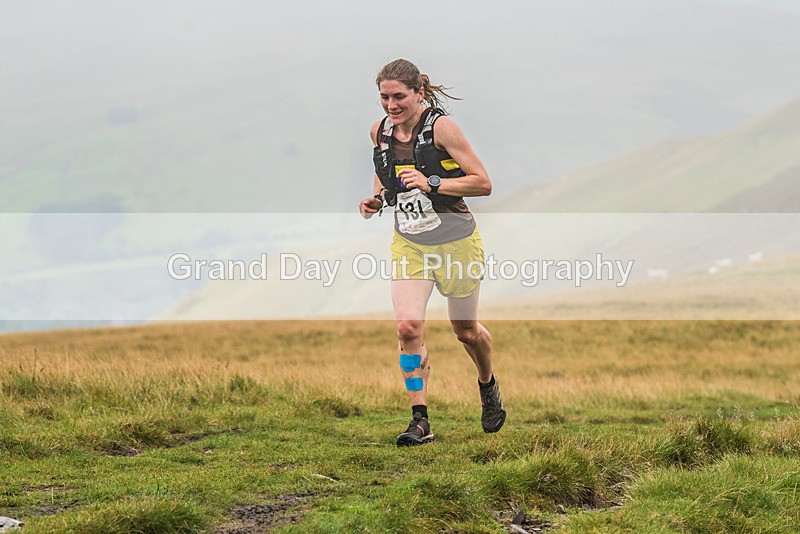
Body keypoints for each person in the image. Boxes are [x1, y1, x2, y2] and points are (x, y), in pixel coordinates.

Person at [358, 59, 506, 447]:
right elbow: (385, 173)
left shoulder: (442, 128)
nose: (391, 105)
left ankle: (487, 385)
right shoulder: (380, 132)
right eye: (385, 97)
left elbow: (483, 183)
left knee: (466, 331)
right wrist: (377, 199)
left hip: (457, 241)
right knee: (408, 327)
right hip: (409, 242)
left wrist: (432, 181)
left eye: (399, 96)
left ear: (419, 93)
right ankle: (420, 419)